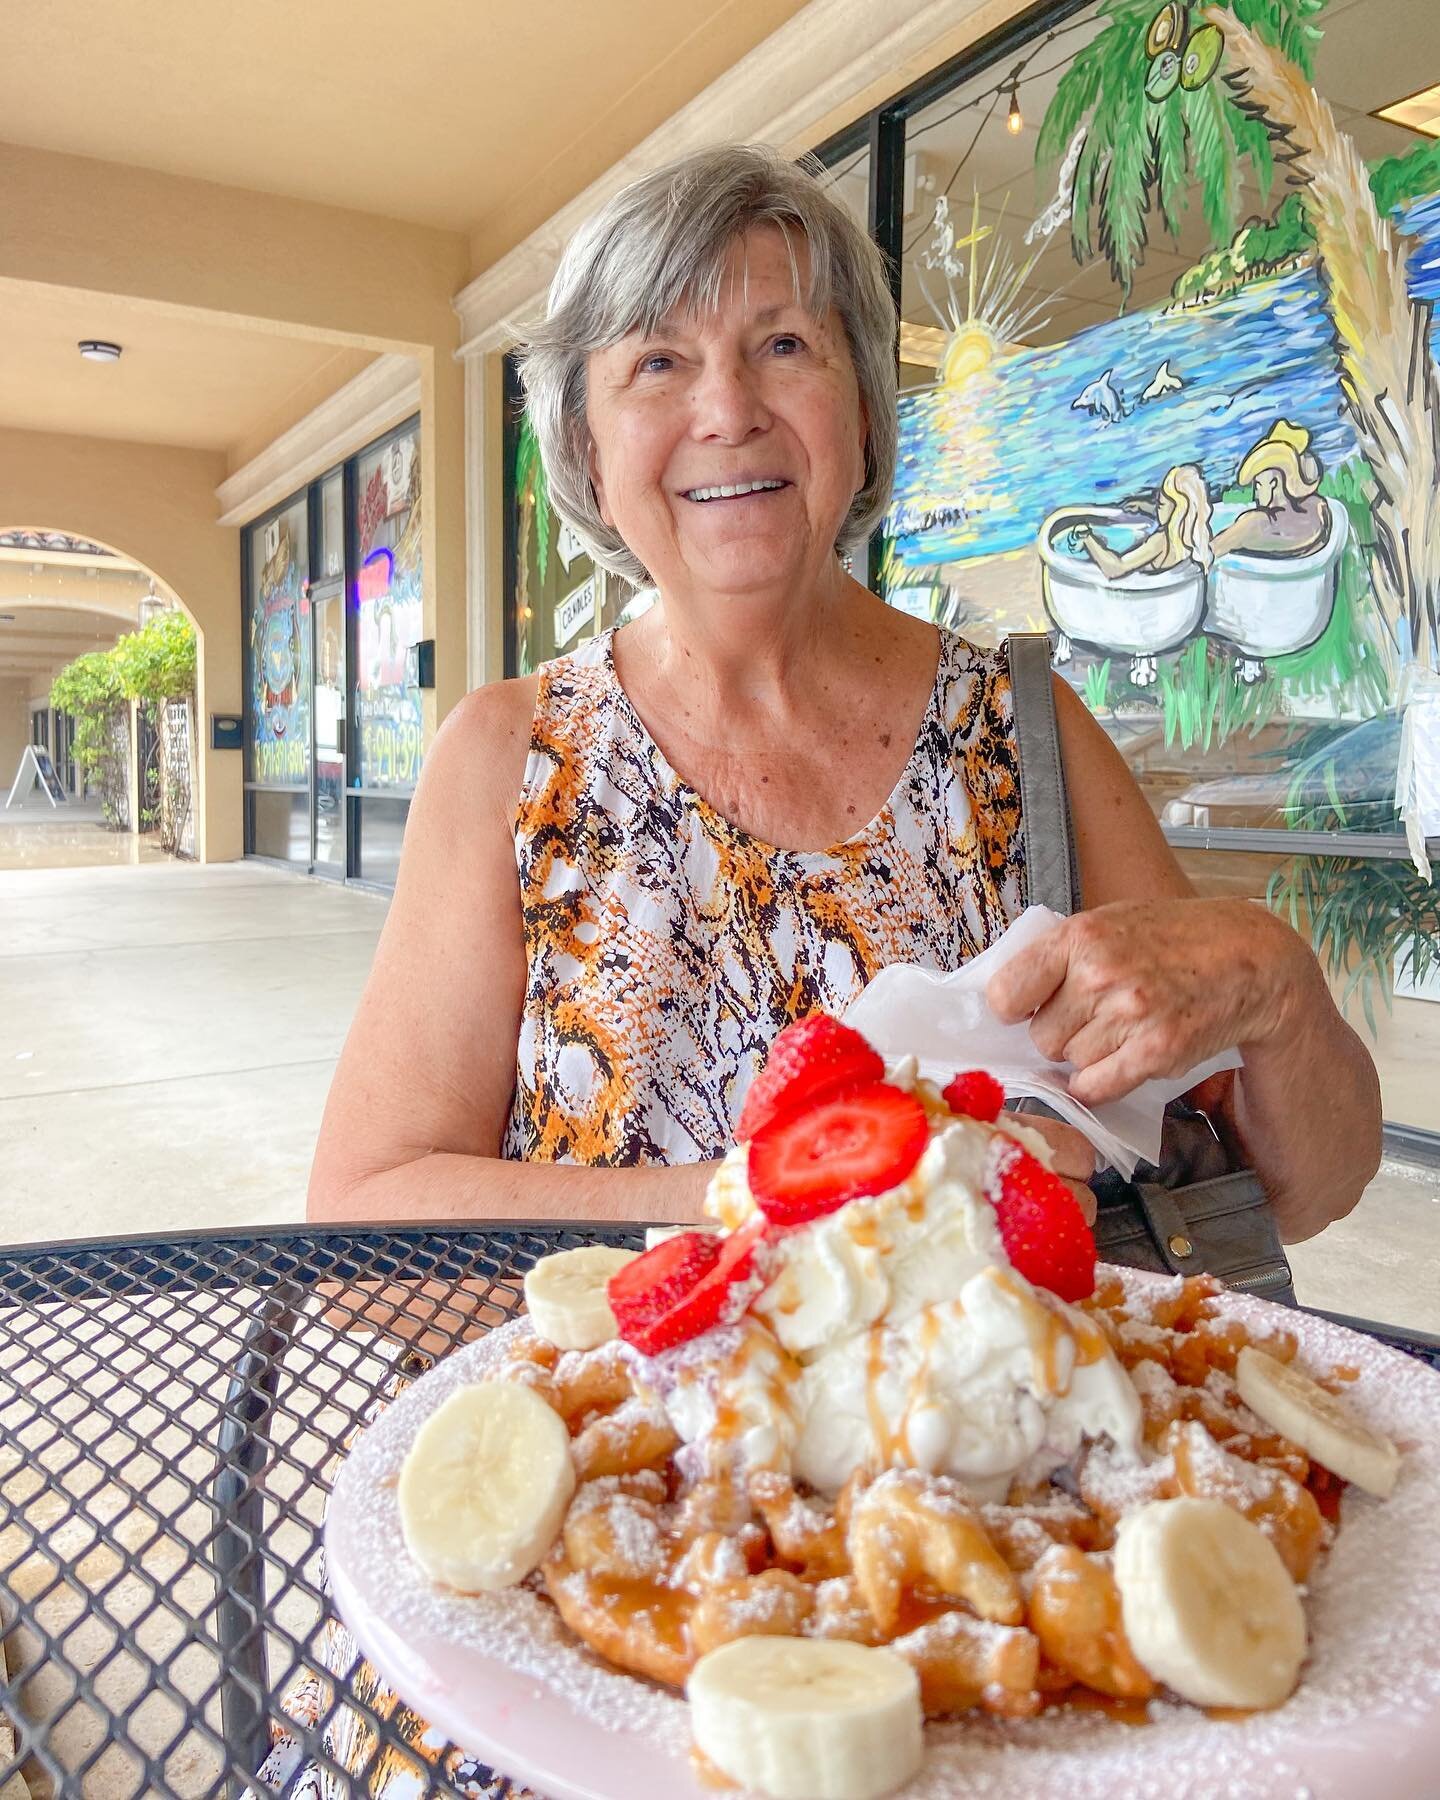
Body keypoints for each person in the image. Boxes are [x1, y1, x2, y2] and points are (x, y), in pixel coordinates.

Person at [277, 141, 1381, 1799]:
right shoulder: (511, 760)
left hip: (1015, 1589)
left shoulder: (1029, 730)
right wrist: (756, 1207)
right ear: (586, 438)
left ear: (863, 409)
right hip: (644, 1596)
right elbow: (363, 1234)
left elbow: (1312, 1184)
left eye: (785, 346)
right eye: (658, 363)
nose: (725, 411)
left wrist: (1276, 984)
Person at [1072, 463, 1214, 582]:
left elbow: (1116, 569)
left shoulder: (1161, 541)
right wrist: (1144, 506)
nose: (1156, 507)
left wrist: (1088, 538)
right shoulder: (1192, 537)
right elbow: (1168, 510)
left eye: (1159, 504)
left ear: (1177, 510)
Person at [1210, 420, 1329, 558]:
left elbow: (1209, 554)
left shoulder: (1256, 524)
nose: (1256, 495)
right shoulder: (1318, 509)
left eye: (1259, 485)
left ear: (1273, 484)